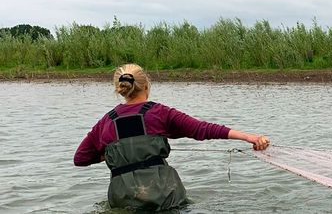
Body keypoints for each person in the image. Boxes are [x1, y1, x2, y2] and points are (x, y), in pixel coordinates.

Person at [74, 64, 269, 211]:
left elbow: (80, 158)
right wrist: (248, 137)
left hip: (124, 200)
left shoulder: (106, 122)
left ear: (121, 89)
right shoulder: (159, 113)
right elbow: (203, 129)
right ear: (147, 86)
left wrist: (111, 155)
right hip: (165, 198)